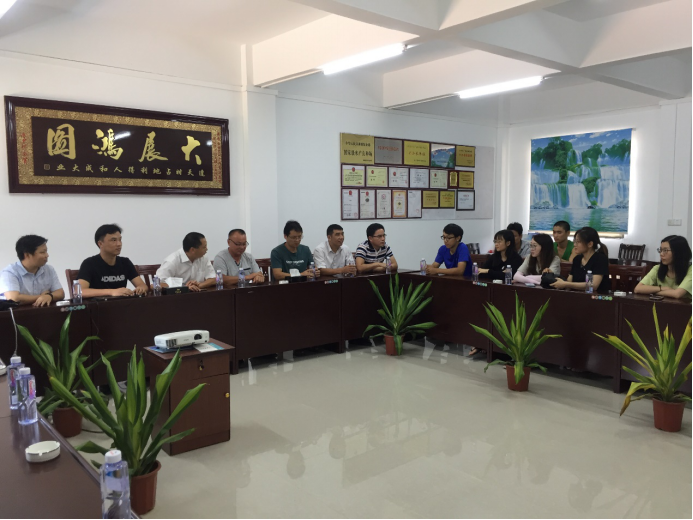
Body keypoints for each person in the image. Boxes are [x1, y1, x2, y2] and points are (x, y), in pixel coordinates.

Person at [78, 224, 148, 298]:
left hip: (121, 303)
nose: (119, 244)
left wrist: (141, 289)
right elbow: (80, 291)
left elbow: (143, 286)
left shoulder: (125, 262)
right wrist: (112, 292)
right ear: (100, 244)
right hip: (99, 304)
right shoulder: (89, 263)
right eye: (113, 240)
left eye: (120, 240)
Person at [0, 235, 64, 307]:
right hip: (17, 312)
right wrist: (42, 297)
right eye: (42, 252)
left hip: (43, 311)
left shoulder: (48, 269)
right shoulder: (10, 272)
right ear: (27, 255)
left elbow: (60, 293)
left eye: (46, 251)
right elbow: (13, 298)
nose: (47, 255)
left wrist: (49, 296)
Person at [551, 227, 610, 293]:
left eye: (578, 242)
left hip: (597, 296)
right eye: (574, 241)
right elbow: (569, 280)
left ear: (590, 244)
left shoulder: (600, 259)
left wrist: (566, 284)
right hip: (577, 295)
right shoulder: (577, 259)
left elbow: (594, 285)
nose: (575, 245)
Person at [635, 235, 692, 300]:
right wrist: (662, 288)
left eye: (665, 250)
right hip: (662, 305)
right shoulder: (657, 268)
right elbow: (638, 289)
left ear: (679, 252)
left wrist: (651, 292)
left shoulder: (690, 270)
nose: (661, 254)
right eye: (661, 250)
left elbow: (677, 294)